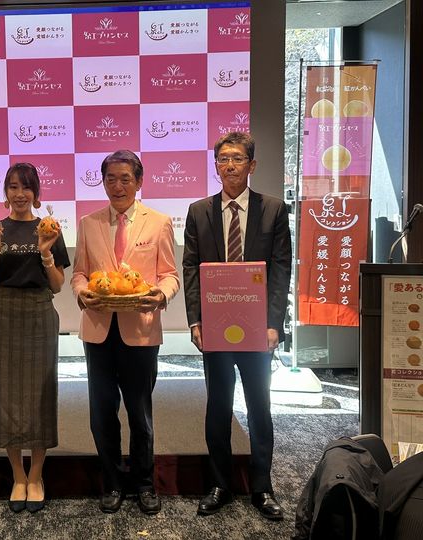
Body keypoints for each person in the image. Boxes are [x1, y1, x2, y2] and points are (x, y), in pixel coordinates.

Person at [182, 131, 292, 521]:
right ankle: (220, 485)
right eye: (223, 159)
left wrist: (274, 325)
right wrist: (195, 320)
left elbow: (281, 270)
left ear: (252, 165)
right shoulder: (198, 211)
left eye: (238, 158)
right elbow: (191, 269)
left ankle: (262, 487)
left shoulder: (273, 210)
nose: (230, 166)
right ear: (216, 166)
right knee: (218, 406)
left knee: (260, 407)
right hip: (215, 327)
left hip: (257, 329)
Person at [71, 150, 179, 515]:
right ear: (103, 182)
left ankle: (145, 483)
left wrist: (161, 294)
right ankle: (113, 482)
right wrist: (82, 293)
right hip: (99, 330)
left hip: (141, 331)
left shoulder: (159, 222)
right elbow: (79, 273)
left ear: (139, 182)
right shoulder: (88, 222)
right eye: (111, 179)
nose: (118, 186)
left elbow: (169, 274)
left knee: (139, 411)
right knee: (102, 413)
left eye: (125, 179)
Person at [0, 162, 70, 514]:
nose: (20, 193)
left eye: (26, 187)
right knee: (6, 396)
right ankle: (17, 474)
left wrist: (45, 252)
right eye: (13, 186)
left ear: (36, 193)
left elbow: (57, 286)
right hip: (3, 314)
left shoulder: (49, 229)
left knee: (40, 395)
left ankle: (37, 476)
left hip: (39, 314)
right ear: (6, 192)